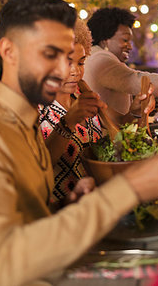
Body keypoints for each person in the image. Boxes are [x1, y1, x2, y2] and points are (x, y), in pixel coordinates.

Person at [0, 0, 158, 286]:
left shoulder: (24, 122)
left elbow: (30, 220)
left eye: (73, 58)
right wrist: (127, 189)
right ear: (9, 51)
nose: (67, 71)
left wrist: (67, 208)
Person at [39, 19, 106, 201]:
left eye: (81, 62)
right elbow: (39, 167)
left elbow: (113, 145)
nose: (76, 71)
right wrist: (68, 122)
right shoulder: (35, 108)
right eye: (68, 63)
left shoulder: (82, 95)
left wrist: (139, 113)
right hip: (60, 217)